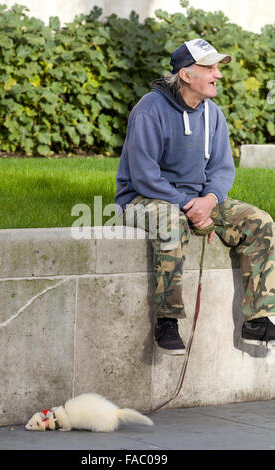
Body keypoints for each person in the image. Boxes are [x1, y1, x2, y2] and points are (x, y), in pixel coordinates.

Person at [115, 38, 275, 355]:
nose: (218, 74)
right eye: (210, 68)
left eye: (218, 67)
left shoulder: (212, 114)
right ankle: (167, 321)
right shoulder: (149, 109)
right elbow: (145, 176)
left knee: (260, 222)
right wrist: (190, 206)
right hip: (142, 199)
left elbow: (221, 169)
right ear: (187, 75)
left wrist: (210, 200)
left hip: (197, 201)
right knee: (172, 222)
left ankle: (256, 319)